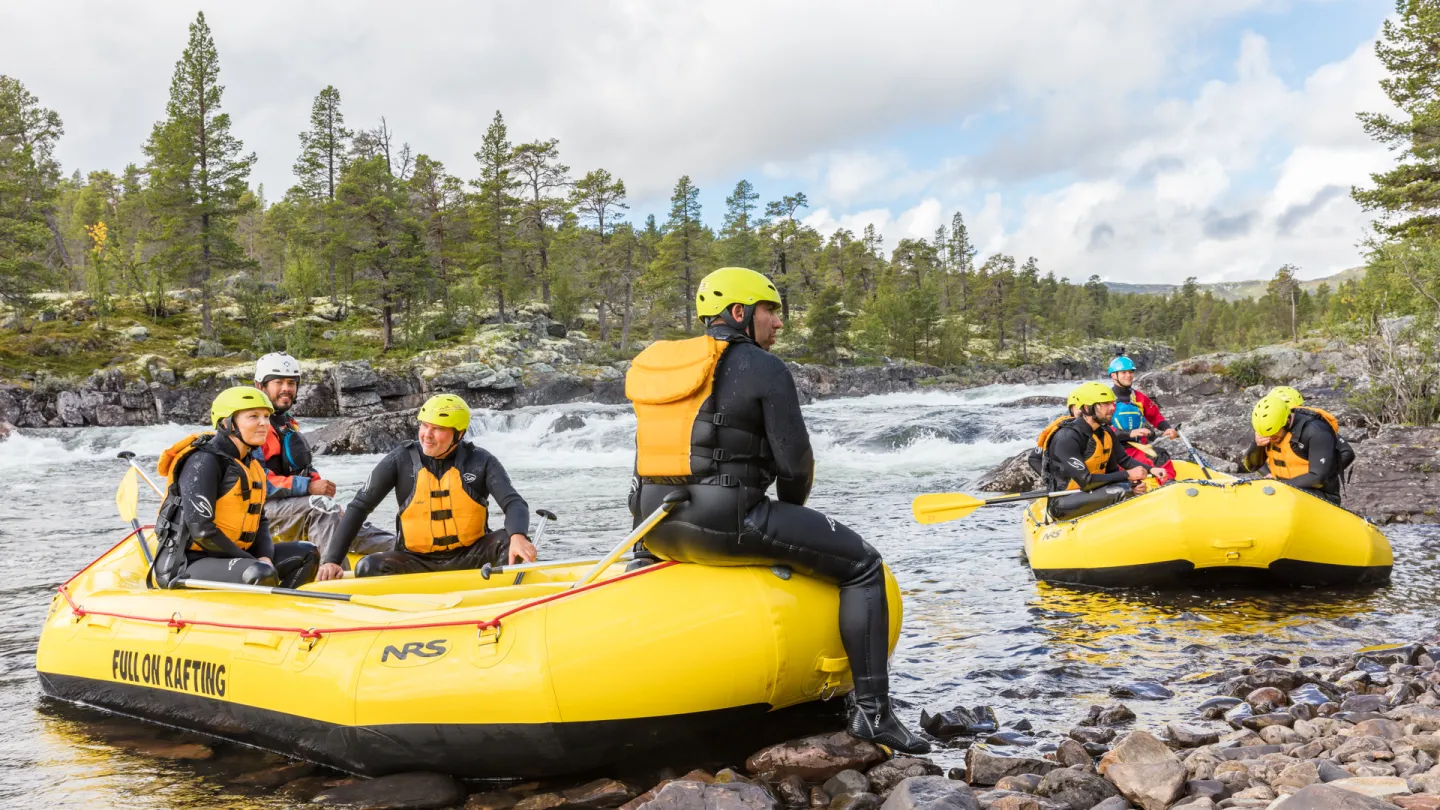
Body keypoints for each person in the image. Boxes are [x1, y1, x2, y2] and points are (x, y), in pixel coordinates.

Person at [624, 266, 929, 754]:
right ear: (740, 313)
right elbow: (794, 464)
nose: (778, 324)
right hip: (726, 524)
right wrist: (791, 518)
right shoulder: (763, 368)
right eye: (771, 311)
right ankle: (873, 714)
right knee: (864, 566)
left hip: (653, 527)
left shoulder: (664, 368)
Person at [322, 394, 536, 579]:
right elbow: (359, 507)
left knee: (511, 542)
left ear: (459, 434)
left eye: (438, 429)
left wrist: (518, 535)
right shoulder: (400, 460)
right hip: (415, 562)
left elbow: (514, 503)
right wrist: (332, 559)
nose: (427, 435)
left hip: (472, 556)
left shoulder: (481, 461)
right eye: (424, 426)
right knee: (368, 567)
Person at [151, 387, 320, 589]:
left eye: (266, 417)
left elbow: (261, 520)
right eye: (253, 417)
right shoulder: (203, 462)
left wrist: (264, 556)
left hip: (235, 558)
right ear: (226, 423)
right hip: (187, 563)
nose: (264, 423)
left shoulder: (251, 465)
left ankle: (287, 611)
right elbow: (202, 531)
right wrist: (252, 560)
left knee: (307, 553)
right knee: (259, 572)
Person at [252, 352, 395, 567]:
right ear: (260, 386)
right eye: (278, 382)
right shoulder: (251, 426)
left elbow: (302, 467)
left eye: (291, 382)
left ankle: (406, 551)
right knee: (321, 506)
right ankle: (333, 573)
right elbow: (258, 482)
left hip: (291, 505)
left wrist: (319, 487)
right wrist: (309, 487)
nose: (286, 388)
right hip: (259, 513)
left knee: (345, 518)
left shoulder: (286, 423)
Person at [1037, 382, 1153, 520]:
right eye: (1106, 404)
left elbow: (1113, 471)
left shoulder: (1104, 433)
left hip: (1092, 493)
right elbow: (1086, 482)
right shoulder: (1067, 437)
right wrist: (1127, 476)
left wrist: (1133, 484)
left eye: (1112, 403)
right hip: (1063, 502)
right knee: (1121, 490)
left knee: (1130, 487)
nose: (1112, 408)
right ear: (1087, 408)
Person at [1241, 393, 1349, 505]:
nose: (1271, 439)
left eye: (1273, 435)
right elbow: (1251, 466)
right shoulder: (1270, 430)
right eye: (1266, 435)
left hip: (1321, 497)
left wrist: (1278, 485)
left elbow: (1318, 478)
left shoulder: (1316, 431)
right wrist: (1257, 444)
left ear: (1287, 421)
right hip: (1283, 489)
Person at [1107, 352, 1176, 482]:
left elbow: (1155, 416)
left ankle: (1167, 484)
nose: (1128, 376)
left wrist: (1167, 428)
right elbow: (1103, 429)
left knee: (1159, 453)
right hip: (1118, 452)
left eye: (1131, 372)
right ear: (1113, 375)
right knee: (1158, 455)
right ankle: (1168, 484)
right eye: (1123, 372)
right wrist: (1129, 433)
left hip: (1139, 448)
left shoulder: (1138, 397)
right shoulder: (1106, 400)